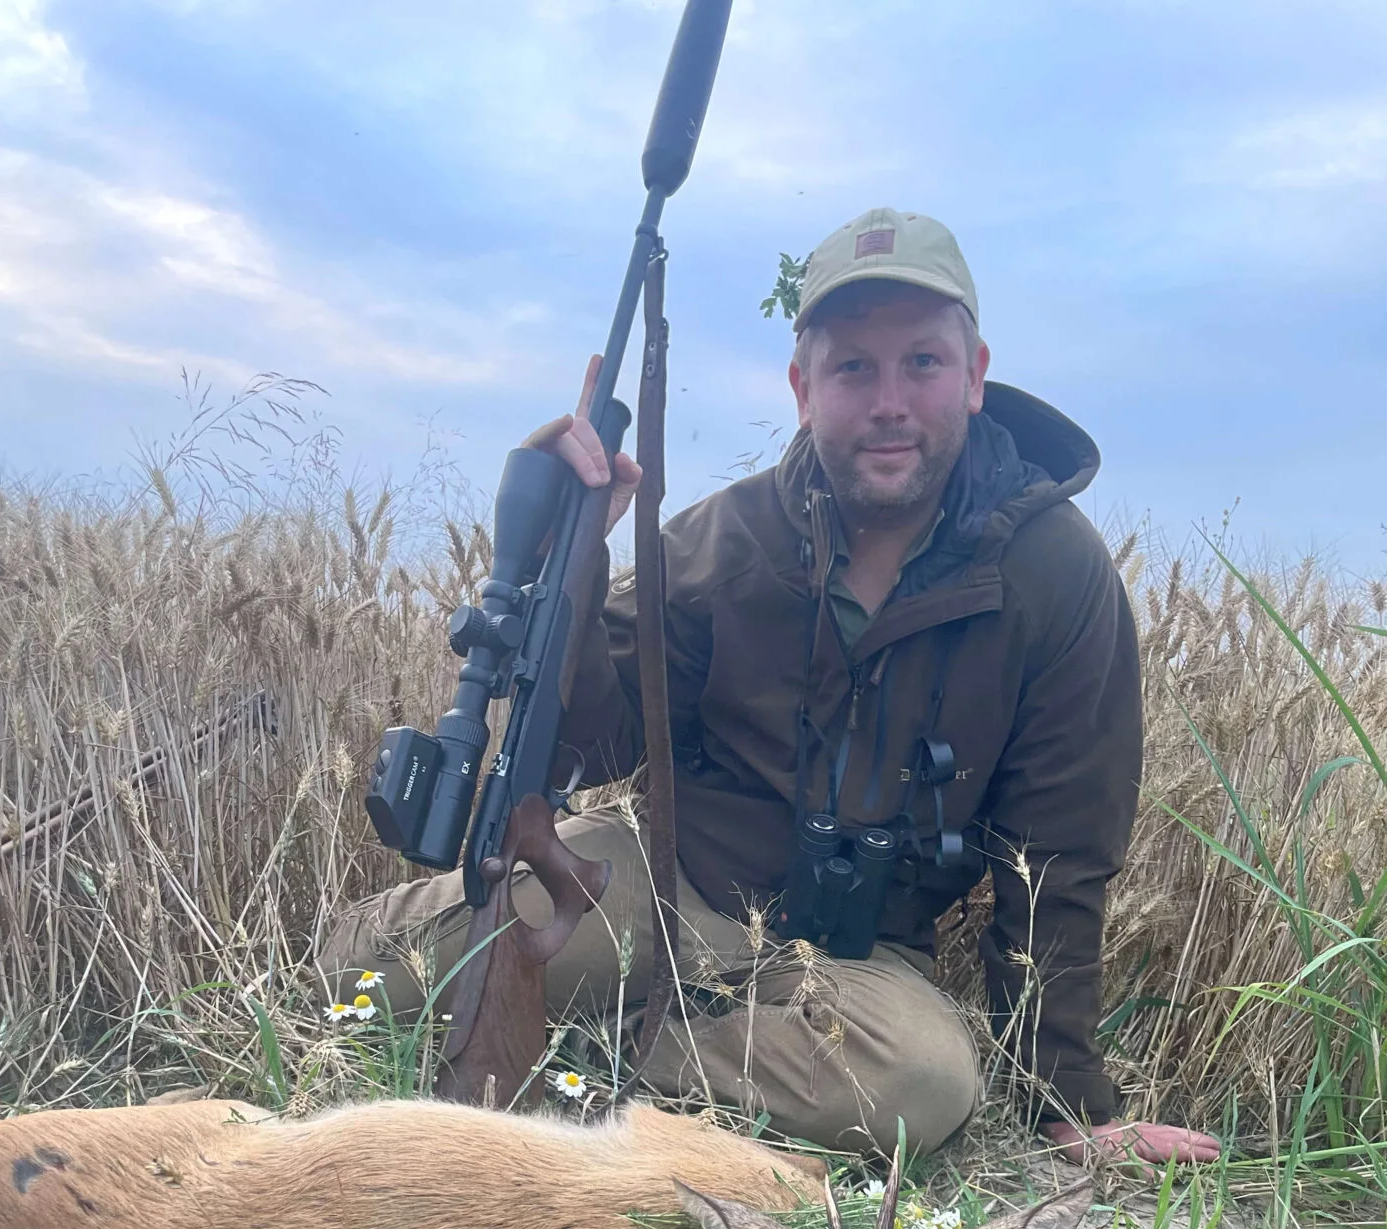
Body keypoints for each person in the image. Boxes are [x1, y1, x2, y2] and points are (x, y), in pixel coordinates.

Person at [321, 207, 1218, 1168]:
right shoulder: (726, 537)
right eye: (852, 368)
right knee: (355, 978)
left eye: (922, 362)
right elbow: (589, 743)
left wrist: (1067, 1100)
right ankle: (636, 1039)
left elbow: (1062, 854)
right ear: (802, 388)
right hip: (665, 885)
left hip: (858, 967)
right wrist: (572, 562)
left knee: (919, 1087)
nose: (889, 401)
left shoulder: (1057, 573)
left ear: (975, 375)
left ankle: (608, 1060)